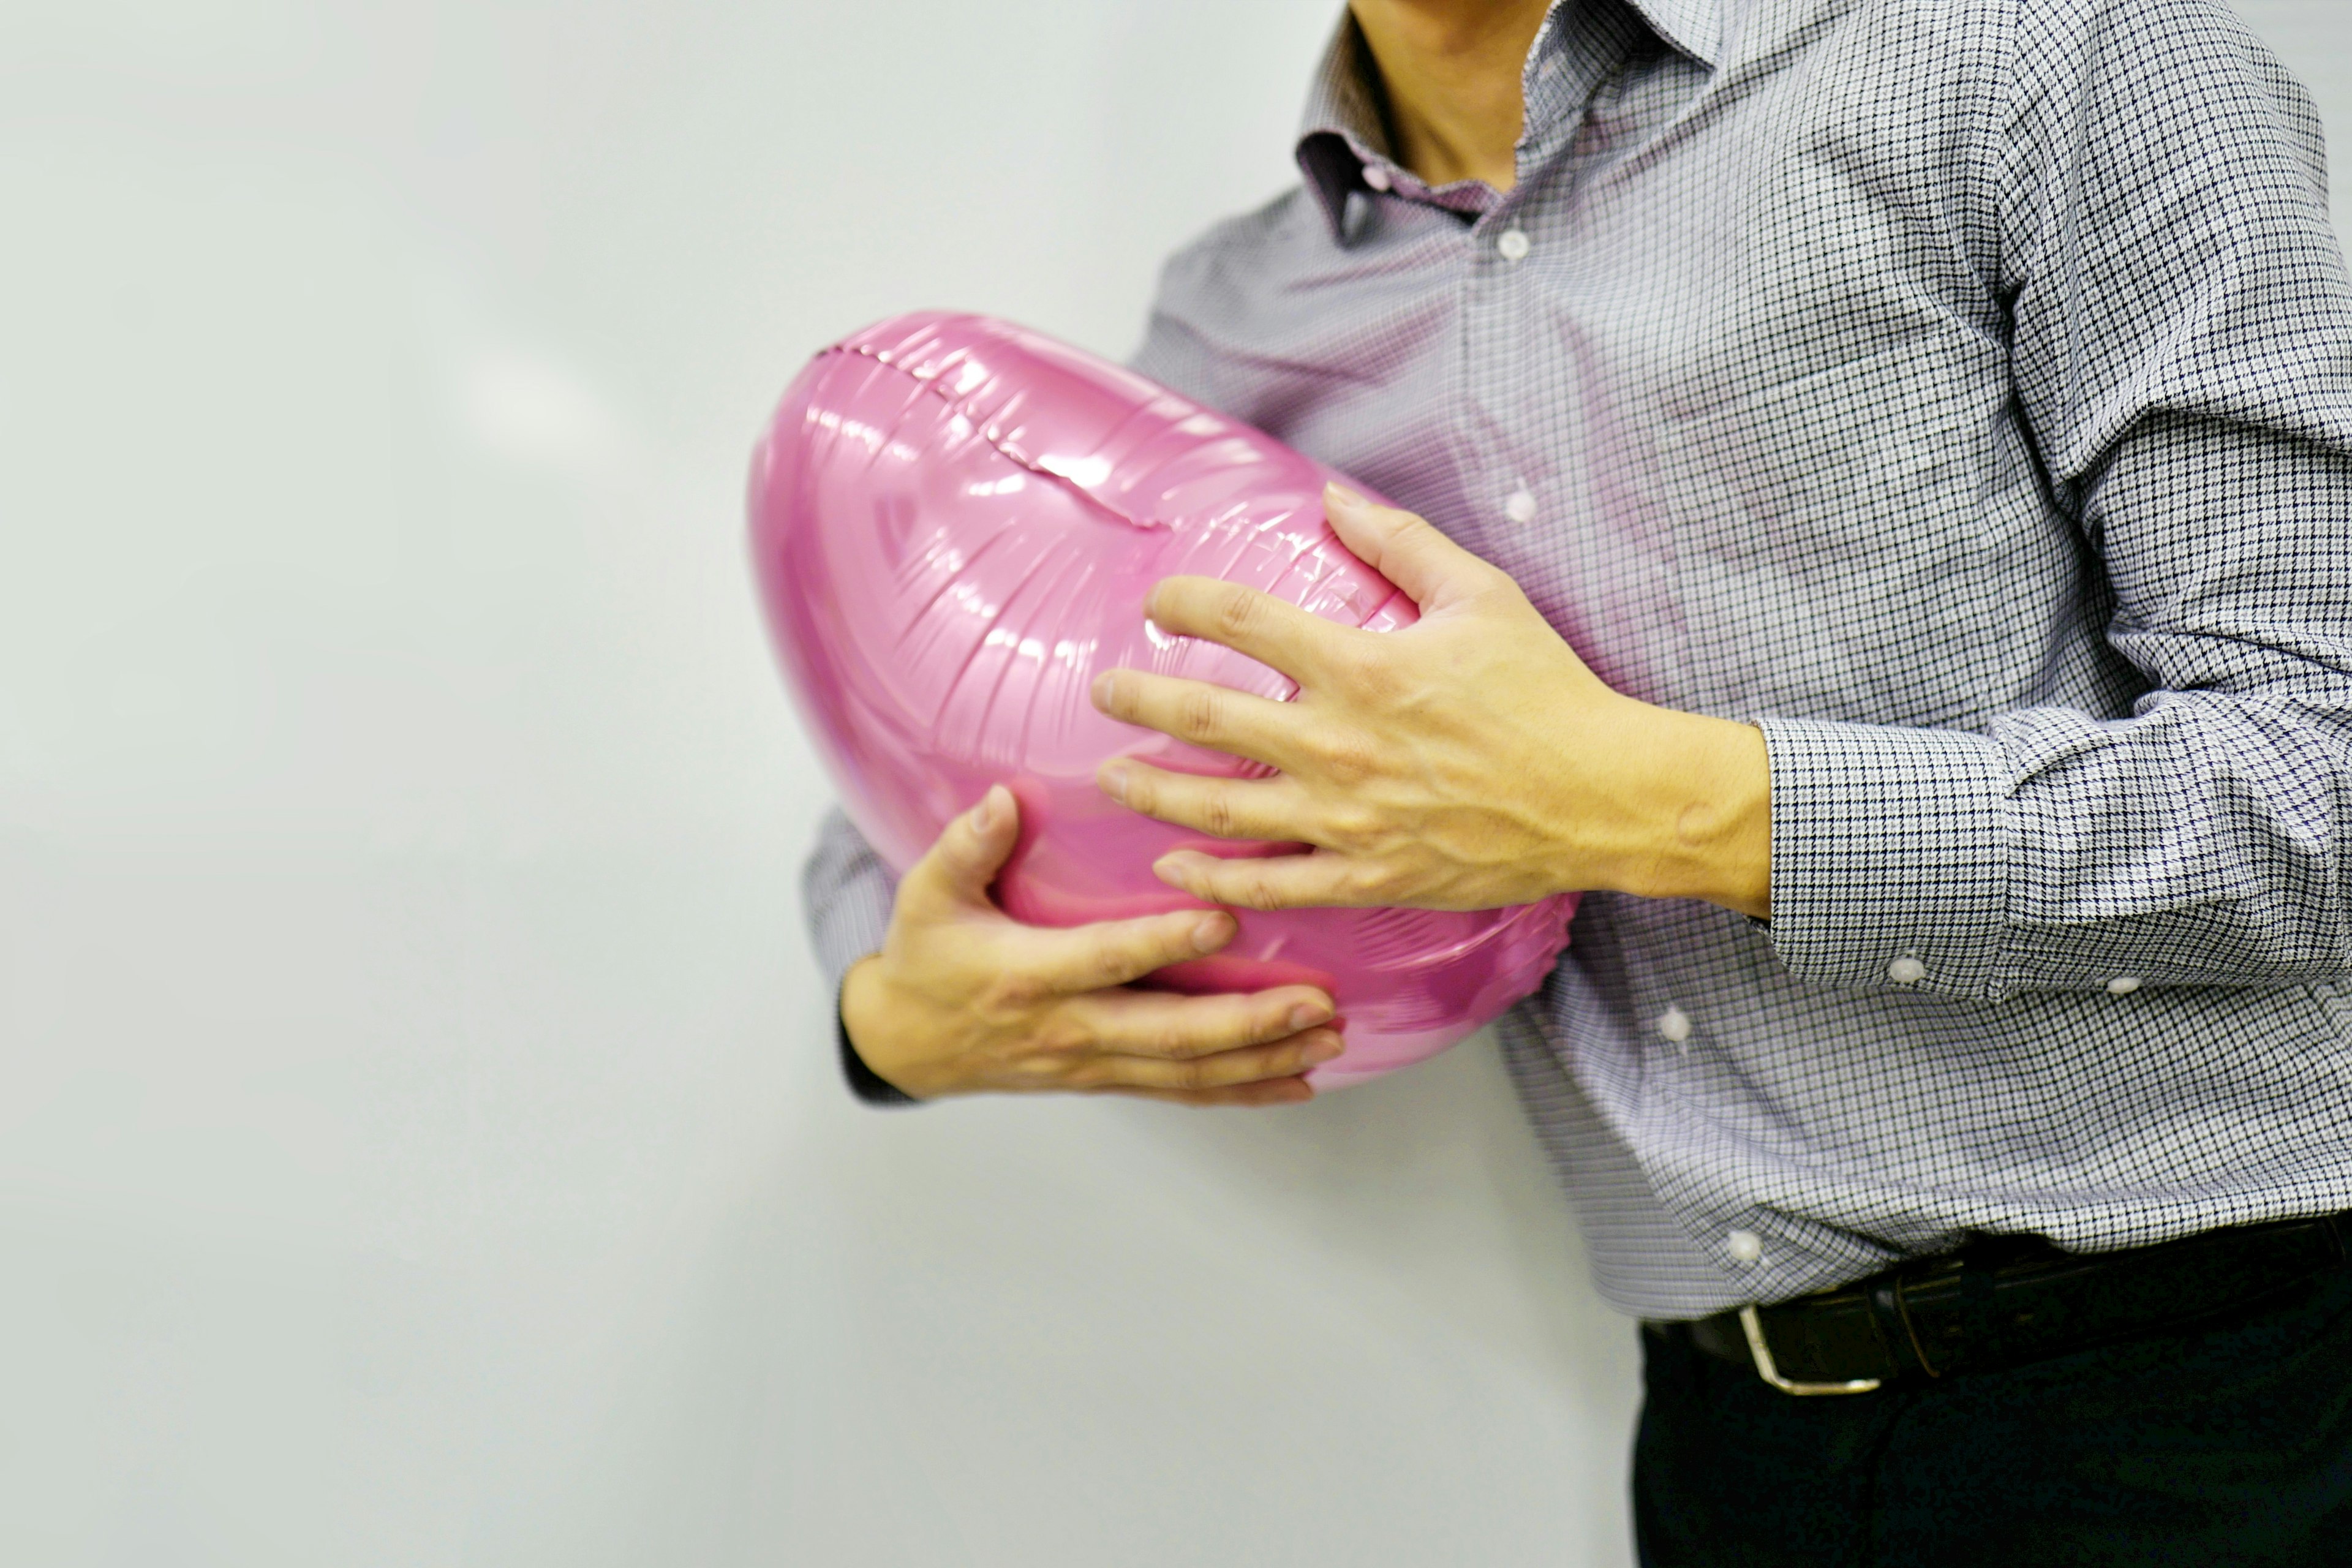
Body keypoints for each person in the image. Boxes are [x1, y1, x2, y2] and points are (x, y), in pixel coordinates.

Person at [802, 0, 2352, 1558]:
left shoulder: (2040, 58)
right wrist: (897, 1020)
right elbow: (921, 805)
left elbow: (2325, 762)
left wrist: (1643, 801)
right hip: (1731, 1454)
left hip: (2232, 1383)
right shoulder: (1240, 321)